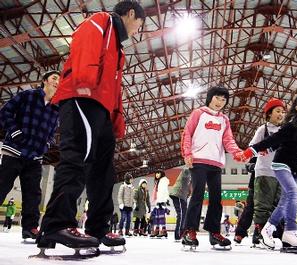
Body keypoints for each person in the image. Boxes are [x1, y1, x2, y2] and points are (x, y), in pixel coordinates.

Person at [37, 1, 146, 251]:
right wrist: (85, 81)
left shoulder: (118, 50)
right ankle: (56, 225)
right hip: (81, 96)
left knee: (103, 172)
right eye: (139, 25)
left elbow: (115, 88)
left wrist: (116, 118)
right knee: (77, 158)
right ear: (131, 14)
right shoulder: (100, 22)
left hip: (101, 108)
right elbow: (84, 44)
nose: (137, 31)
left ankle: (98, 228)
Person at [237, 93, 297, 251]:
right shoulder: (292, 124)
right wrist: (251, 151)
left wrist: (272, 150)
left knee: (285, 200)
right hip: (281, 165)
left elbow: (291, 144)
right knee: (294, 195)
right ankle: (290, 231)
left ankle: (270, 229)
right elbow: (275, 139)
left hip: (295, 168)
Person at [180, 86, 243, 249]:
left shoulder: (224, 120)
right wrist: (187, 153)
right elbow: (187, 133)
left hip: (215, 162)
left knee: (216, 199)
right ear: (210, 98)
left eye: (223, 100)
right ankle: (190, 230)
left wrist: (237, 153)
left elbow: (228, 140)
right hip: (198, 160)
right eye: (217, 98)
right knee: (198, 195)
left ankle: (214, 232)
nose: (220, 102)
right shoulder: (198, 113)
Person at [0, 70, 60, 240]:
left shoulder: (56, 108)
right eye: (54, 78)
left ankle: (30, 228)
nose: (57, 82)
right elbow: (4, 113)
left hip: (35, 157)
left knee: (33, 193)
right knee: (2, 185)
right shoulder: (28, 95)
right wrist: (14, 131)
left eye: (60, 80)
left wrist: (47, 144)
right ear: (44, 81)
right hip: (14, 151)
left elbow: (52, 132)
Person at [235, 98, 286, 247]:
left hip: (280, 173)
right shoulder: (263, 129)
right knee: (261, 205)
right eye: (278, 111)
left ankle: (272, 233)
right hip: (264, 171)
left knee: (276, 205)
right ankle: (258, 233)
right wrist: (261, 152)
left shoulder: (284, 131)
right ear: (269, 113)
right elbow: (252, 148)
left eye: (283, 112)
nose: (281, 114)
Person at [169, 169, 191, 241]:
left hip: (183, 196)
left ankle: (183, 231)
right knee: (181, 214)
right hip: (178, 194)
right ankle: (178, 234)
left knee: (185, 214)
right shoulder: (186, 170)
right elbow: (187, 173)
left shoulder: (191, 176)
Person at [151, 170, 170, 238]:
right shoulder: (158, 182)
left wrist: (164, 200)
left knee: (161, 217)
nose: (157, 174)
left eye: (158, 173)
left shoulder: (163, 181)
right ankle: (157, 230)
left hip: (161, 201)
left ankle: (163, 230)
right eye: (156, 173)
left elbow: (164, 191)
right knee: (157, 217)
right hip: (158, 201)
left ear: (162, 174)